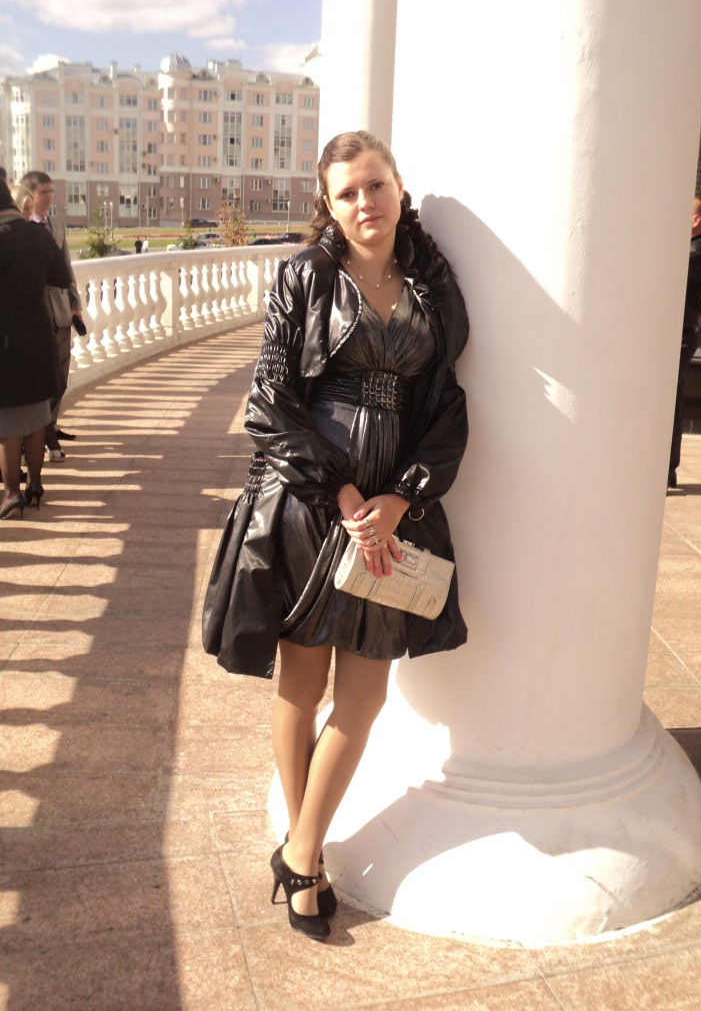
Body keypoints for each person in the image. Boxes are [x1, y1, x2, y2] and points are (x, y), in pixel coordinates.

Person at [202, 130, 469, 940]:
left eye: (375, 185)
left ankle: (296, 848)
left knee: (364, 696)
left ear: (399, 187)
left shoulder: (432, 285)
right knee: (303, 684)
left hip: (389, 516)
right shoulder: (307, 276)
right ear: (328, 202)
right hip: (309, 505)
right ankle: (308, 860)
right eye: (347, 191)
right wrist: (346, 491)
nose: (364, 202)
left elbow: (446, 405)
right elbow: (270, 400)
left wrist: (400, 497)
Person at [0, 179, 72, 519]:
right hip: (39, 331)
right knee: (36, 416)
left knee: (7, 422)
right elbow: (60, 278)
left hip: (5, 336)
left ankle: (11, 493)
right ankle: (35, 485)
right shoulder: (39, 235)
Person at [19, 171, 84, 458]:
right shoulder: (23, 228)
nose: (49, 197)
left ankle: (51, 426)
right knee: (43, 380)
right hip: (37, 315)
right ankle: (40, 434)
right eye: (43, 192)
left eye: (51, 191)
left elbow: (67, 268)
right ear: (30, 195)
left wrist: (76, 304)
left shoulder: (56, 225)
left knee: (61, 377)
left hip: (62, 313)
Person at [668, 198, 701, 488]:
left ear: (695, 220)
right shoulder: (694, 249)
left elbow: (663, 270)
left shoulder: (700, 253)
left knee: (669, 401)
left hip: (681, 336)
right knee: (668, 400)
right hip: (675, 334)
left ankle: (666, 469)